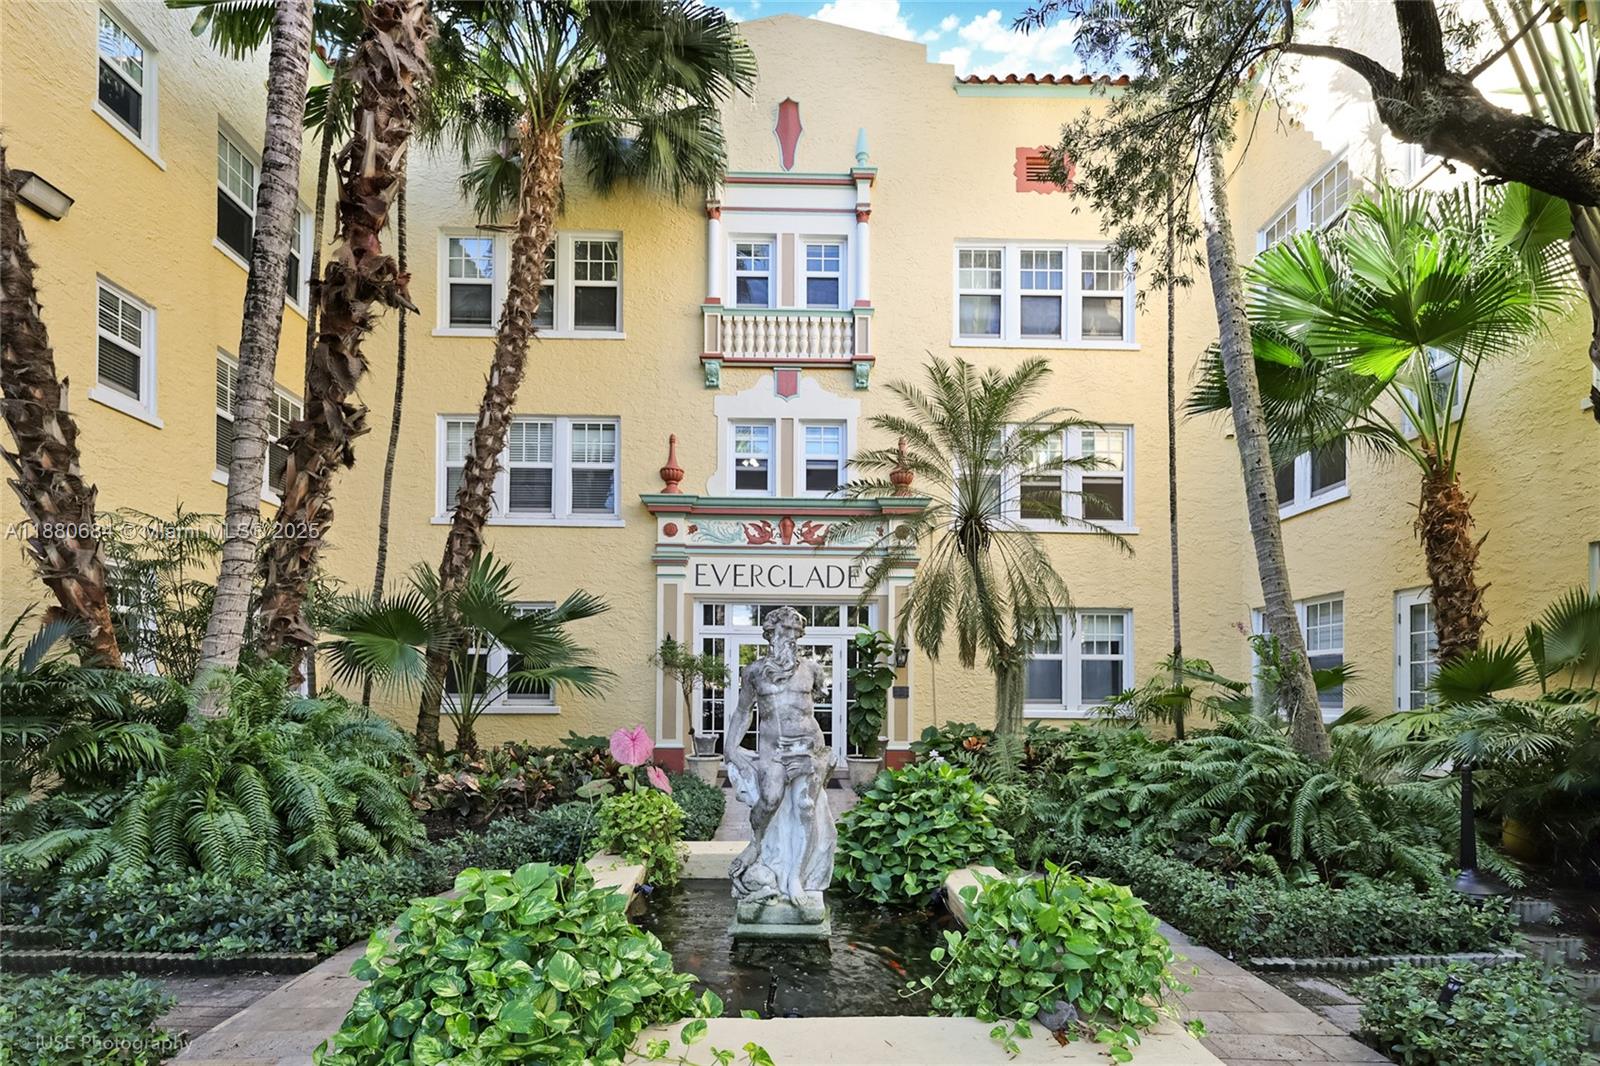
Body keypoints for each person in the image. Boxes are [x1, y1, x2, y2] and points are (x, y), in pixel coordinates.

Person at [723, 606, 837, 911]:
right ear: (769, 634)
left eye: (795, 633)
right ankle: (757, 843)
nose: (790, 639)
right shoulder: (754, 672)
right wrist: (731, 748)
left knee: (806, 810)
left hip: (806, 750)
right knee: (770, 799)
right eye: (784, 632)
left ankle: (796, 876)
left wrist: (819, 759)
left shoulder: (812, 670)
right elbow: (743, 712)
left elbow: (813, 710)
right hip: (772, 751)